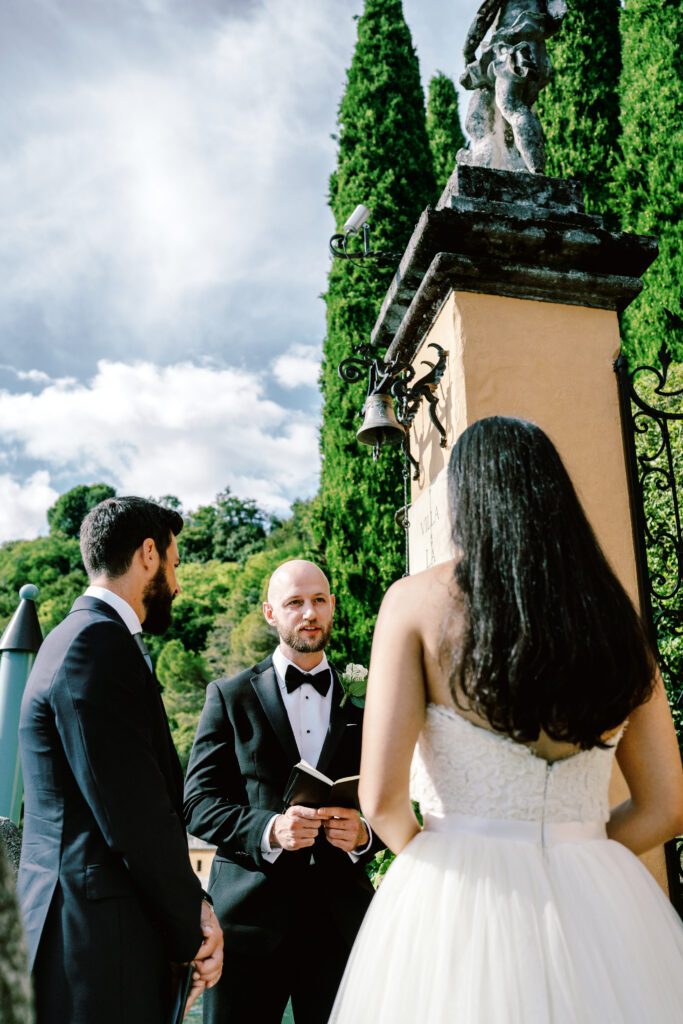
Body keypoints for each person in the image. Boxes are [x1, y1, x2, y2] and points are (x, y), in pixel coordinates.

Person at [329, 417, 683, 1023]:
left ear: (464, 499)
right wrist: (579, 854)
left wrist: (446, 870)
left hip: (461, 893)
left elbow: (381, 800)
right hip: (602, 903)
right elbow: (667, 804)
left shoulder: (415, 603)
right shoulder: (616, 620)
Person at [18, 496, 223, 1024]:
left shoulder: (69, 639)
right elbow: (131, 816)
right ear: (149, 554)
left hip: (73, 932)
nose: (177, 586)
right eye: (175, 565)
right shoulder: (96, 645)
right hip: (97, 947)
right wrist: (194, 925)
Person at [184, 559, 381, 1024]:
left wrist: (364, 835)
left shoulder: (370, 696)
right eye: (295, 602)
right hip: (250, 924)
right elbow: (197, 804)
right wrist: (271, 830)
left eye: (318, 601)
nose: (308, 613)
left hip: (342, 925)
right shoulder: (229, 696)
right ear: (271, 613)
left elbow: (398, 799)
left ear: (332, 607)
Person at [458, 0, 567, 172]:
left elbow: (484, 16)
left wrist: (468, 52)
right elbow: (558, 12)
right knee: (484, 113)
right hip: (537, 53)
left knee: (511, 106)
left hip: (513, 48)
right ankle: (495, 162)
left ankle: (536, 172)